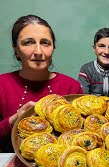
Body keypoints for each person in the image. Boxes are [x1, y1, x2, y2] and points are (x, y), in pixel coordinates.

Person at [0, 15, 83, 152]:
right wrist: (13, 120)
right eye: (28, 42)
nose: (38, 52)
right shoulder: (2, 85)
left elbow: (81, 136)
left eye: (45, 43)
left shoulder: (71, 86)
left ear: (53, 47)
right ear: (15, 48)